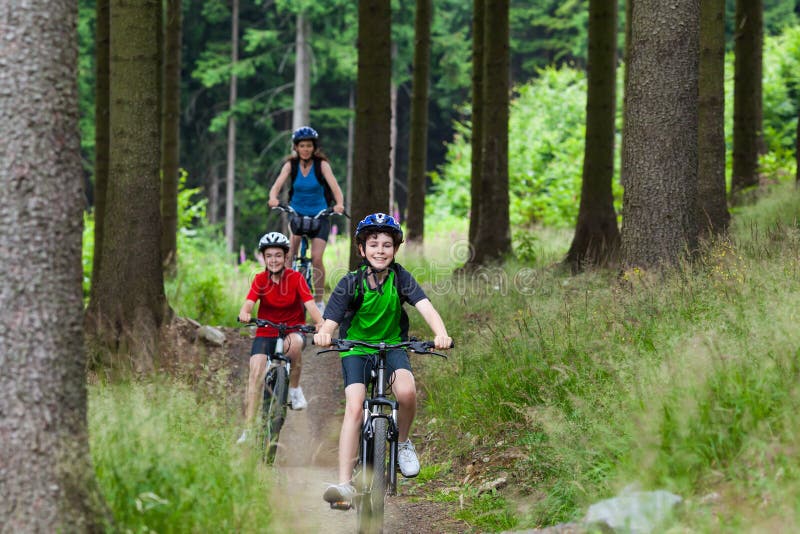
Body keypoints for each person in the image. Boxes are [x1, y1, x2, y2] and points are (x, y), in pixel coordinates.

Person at [313, 213, 452, 504]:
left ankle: (401, 443)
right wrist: (324, 333)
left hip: (392, 347)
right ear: (362, 250)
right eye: (373, 244)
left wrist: (441, 333)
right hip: (356, 348)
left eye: (387, 245)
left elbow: (426, 307)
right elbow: (331, 320)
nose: (380, 250)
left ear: (395, 250)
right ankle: (344, 484)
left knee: (407, 392)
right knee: (354, 408)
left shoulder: (401, 277)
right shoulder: (351, 282)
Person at [237, 232, 324, 444]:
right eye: (269, 256)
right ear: (264, 258)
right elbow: (248, 303)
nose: (274, 260)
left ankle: (293, 389)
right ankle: (248, 429)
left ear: (286, 257)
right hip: (266, 331)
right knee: (255, 371)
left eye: (278, 255)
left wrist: (320, 324)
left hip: (293, 330)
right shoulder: (260, 279)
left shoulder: (296, 278)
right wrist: (245, 313)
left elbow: (311, 305)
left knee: (294, 346)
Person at [268, 126, 345, 314]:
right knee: (289, 256)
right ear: (296, 147)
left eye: (309, 145)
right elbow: (276, 186)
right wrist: (273, 198)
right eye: (302, 145)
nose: (305, 149)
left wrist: (339, 204)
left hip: (320, 217)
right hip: (297, 215)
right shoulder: (291, 165)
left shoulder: (322, 165)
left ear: (314, 146)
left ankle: (318, 301)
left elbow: (335, 188)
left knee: (317, 259)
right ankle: (284, 295)